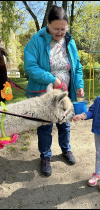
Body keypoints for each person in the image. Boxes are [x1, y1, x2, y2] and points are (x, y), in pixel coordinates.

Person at [24, 5, 84, 177]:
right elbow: (31, 67)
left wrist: (79, 85)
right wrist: (53, 79)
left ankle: (66, 150)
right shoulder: (36, 40)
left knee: (65, 124)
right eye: (56, 28)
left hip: (65, 95)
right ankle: (45, 157)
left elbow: (77, 67)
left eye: (63, 29)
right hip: (44, 94)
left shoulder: (69, 42)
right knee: (45, 126)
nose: (60, 32)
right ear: (48, 24)